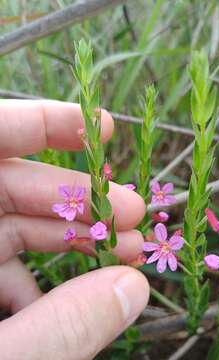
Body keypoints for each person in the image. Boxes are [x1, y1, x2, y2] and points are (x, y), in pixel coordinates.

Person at [0, 100, 149, 359]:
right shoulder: (80, 210)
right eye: (72, 202)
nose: (72, 203)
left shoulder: (87, 207)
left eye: (74, 201)